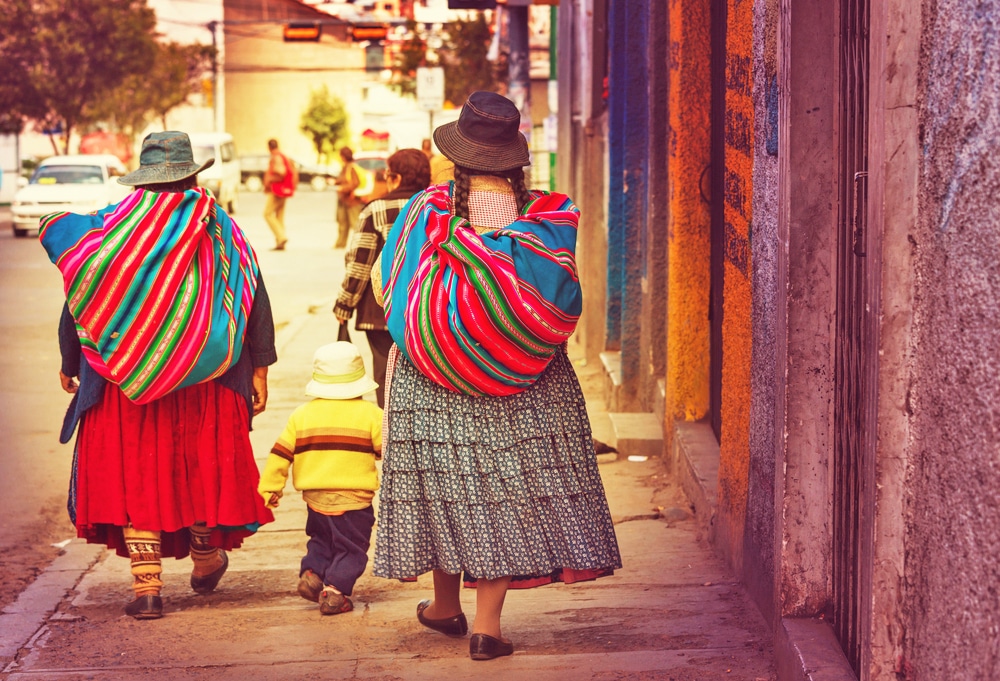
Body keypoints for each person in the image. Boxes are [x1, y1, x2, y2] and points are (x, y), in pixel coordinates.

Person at [371, 92, 622, 660]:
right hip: (524, 380)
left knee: (443, 485)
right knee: (500, 494)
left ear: (458, 157)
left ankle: (444, 606)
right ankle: (486, 626)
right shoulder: (545, 220)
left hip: (431, 377)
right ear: (515, 158)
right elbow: (556, 298)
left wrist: (442, 328)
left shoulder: (424, 212)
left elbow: (390, 289)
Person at [39, 131, 277, 620]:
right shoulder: (220, 228)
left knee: (138, 477)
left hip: (125, 384)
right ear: (192, 176)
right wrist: (260, 370)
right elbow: (253, 298)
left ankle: (147, 590)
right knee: (199, 468)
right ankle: (207, 558)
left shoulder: (110, 231)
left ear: (142, 181)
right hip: (207, 381)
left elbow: (80, 297)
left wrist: (71, 361)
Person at [258, 342, 382, 616]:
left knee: (320, 538)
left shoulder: (302, 415)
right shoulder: (372, 416)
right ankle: (335, 591)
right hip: (353, 500)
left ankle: (313, 573)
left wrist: (270, 487)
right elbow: (387, 450)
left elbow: (281, 452)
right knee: (351, 547)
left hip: (315, 499)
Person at [333, 148, 431, 408]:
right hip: (429, 310)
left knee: (385, 375)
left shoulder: (375, 210)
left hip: (381, 313)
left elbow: (360, 265)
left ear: (396, 178)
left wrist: (344, 304)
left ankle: (388, 438)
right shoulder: (437, 208)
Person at [263, 138, 297, 250]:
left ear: (269, 147)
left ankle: (281, 237)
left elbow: (281, 172)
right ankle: (280, 243)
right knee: (279, 216)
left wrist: (270, 179)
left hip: (277, 190)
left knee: (267, 214)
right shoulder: (283, 155)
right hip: (284, 190)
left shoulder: (276, 157)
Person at [333, 146, 362, 249]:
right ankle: (340, 243)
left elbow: (355, 183)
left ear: (343, 156)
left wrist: (342, 188)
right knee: (342, 223)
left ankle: (359, 244)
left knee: (355, 223)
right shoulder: (345, 167)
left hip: (352, 200)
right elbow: (343, 179)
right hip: (344, 200)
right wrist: (335, 182)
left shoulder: (351, 167)